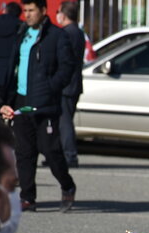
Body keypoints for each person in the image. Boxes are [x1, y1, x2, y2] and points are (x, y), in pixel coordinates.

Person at [0, 0, 76, 213]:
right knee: (24, 152)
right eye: (25, 10)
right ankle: (27, 197)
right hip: (21, 101)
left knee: (51, 151)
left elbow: (68, 67)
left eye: (31, 10)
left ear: (43, 11)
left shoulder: (57, 36)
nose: (27, 14)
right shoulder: (21, 33)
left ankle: (67, 186)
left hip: (45, 103)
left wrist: (51, 87)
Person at [56, 0, 85, 168]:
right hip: (74, 84)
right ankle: (62, 154)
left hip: (66, 85)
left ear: (64, 15)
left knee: (64, 122)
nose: (57, 16)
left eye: (58, 12)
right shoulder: (78, 32)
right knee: (64, 120)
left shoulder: (67, 33)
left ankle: (69, 156)